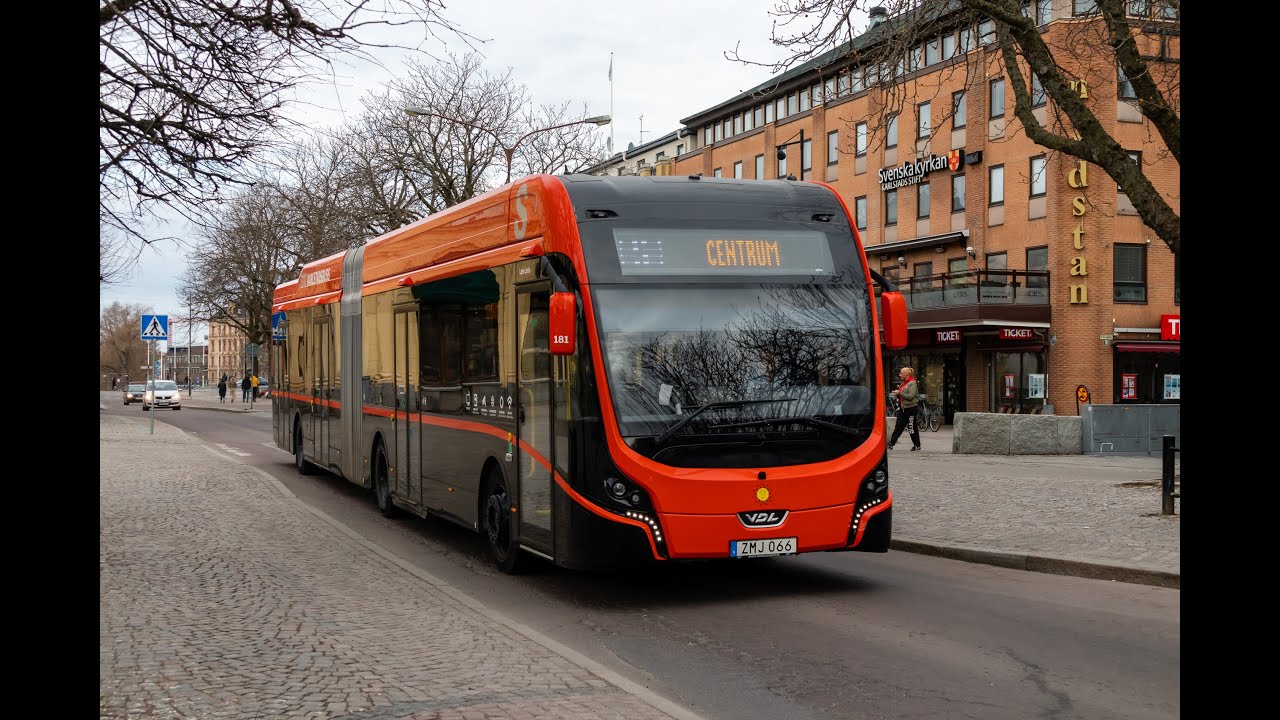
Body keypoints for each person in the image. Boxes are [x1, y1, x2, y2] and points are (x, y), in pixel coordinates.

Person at [887, 366, 921, 451]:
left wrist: (900, 393)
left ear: (906, 374)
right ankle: (891, 444)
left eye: (901, 373)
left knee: (911, 427)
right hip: (903, 409)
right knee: (898, 427)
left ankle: (917, 445)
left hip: (911, 409)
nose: (899, 375)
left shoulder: (912, 383)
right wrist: (897, 395)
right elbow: (903, 397)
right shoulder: (903, 383)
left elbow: (911, 396)